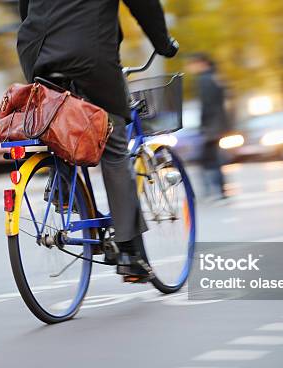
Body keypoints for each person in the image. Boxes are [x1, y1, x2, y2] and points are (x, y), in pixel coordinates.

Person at [17, 0, 179, 282]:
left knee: (59, 120)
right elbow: (145, 5)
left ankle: (62, 188)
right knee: (113, 145)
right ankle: (130, 254)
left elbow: (24, 6)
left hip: (36, 50)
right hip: (88, 53)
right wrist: (163, 42)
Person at [186, 53, 229, 199]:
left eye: (192, 63)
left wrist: (203, 126)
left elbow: (207, 105)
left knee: (206, 158)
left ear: (202, 63)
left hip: (211, 125)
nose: (190, 67)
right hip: (218, 124)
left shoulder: (204, 80)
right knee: (213, 158)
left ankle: (212, 191)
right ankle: (218, 190)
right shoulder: (215, 77)